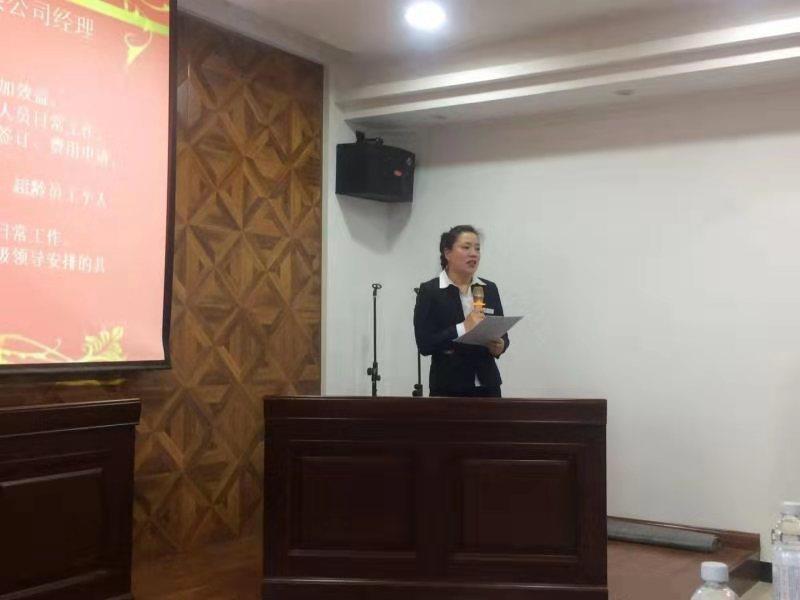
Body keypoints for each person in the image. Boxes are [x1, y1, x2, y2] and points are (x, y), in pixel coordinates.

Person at [413, 225, 509, 397]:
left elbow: (503, 334)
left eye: (477, 248)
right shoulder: (430, 291)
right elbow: (425, 344)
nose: (474, 254)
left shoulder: (489, 288)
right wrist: (463, 327)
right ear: (447, 253)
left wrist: (500, 346)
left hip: (488, 386)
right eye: (466, 247)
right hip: (448, 388)